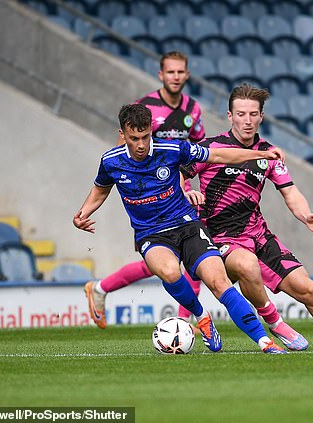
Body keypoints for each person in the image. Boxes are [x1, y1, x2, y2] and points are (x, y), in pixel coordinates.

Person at [83, 53, 307, 352]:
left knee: (216, 280)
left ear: (186, 75)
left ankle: (265, 342)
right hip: (153, 231)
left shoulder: (188, 117)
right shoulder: (126, 140)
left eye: (146, 137)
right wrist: (83, 213)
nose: (141, 144)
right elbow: (100, 188)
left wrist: (258, 154)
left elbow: (214, 152)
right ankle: (198, 317)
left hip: (187, 219)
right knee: (168, 270)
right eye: (134, 138)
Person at [181, 84, 313, 351]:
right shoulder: (210, 148)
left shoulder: (269, 154)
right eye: (241, 114)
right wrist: (188, 191)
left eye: (253, 114)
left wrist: (306, 216)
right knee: (246, 265)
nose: (247, 120)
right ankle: (275, 322)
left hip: (257, 234)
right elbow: (180, 173)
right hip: (218, 238)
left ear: (261, 117)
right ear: (229, 116)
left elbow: (290, 192)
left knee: (308, 289)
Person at [84, 51, 205, 327]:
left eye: (180, 72)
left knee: (183, 262)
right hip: (151, 194)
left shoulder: (193, 109)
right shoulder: (145, 107)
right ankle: (187, 321)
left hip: (178, 194)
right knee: (167, 262)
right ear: (161, 75)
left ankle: (102, 289)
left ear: (187, 74)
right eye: (170, 72)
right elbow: (123, 149)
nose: (175, 77)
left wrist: (187, 184)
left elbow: (198, 150)